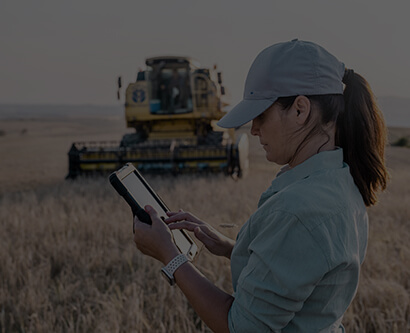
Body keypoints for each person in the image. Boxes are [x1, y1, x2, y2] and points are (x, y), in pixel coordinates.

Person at [132, 39, 388, 332]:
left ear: (300, 110)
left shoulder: (298, 211)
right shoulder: (341, 180)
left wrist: (171, 257)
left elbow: (241, 327)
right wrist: (232, 246)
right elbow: (304, 268)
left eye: (261, 115)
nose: (253, 130)